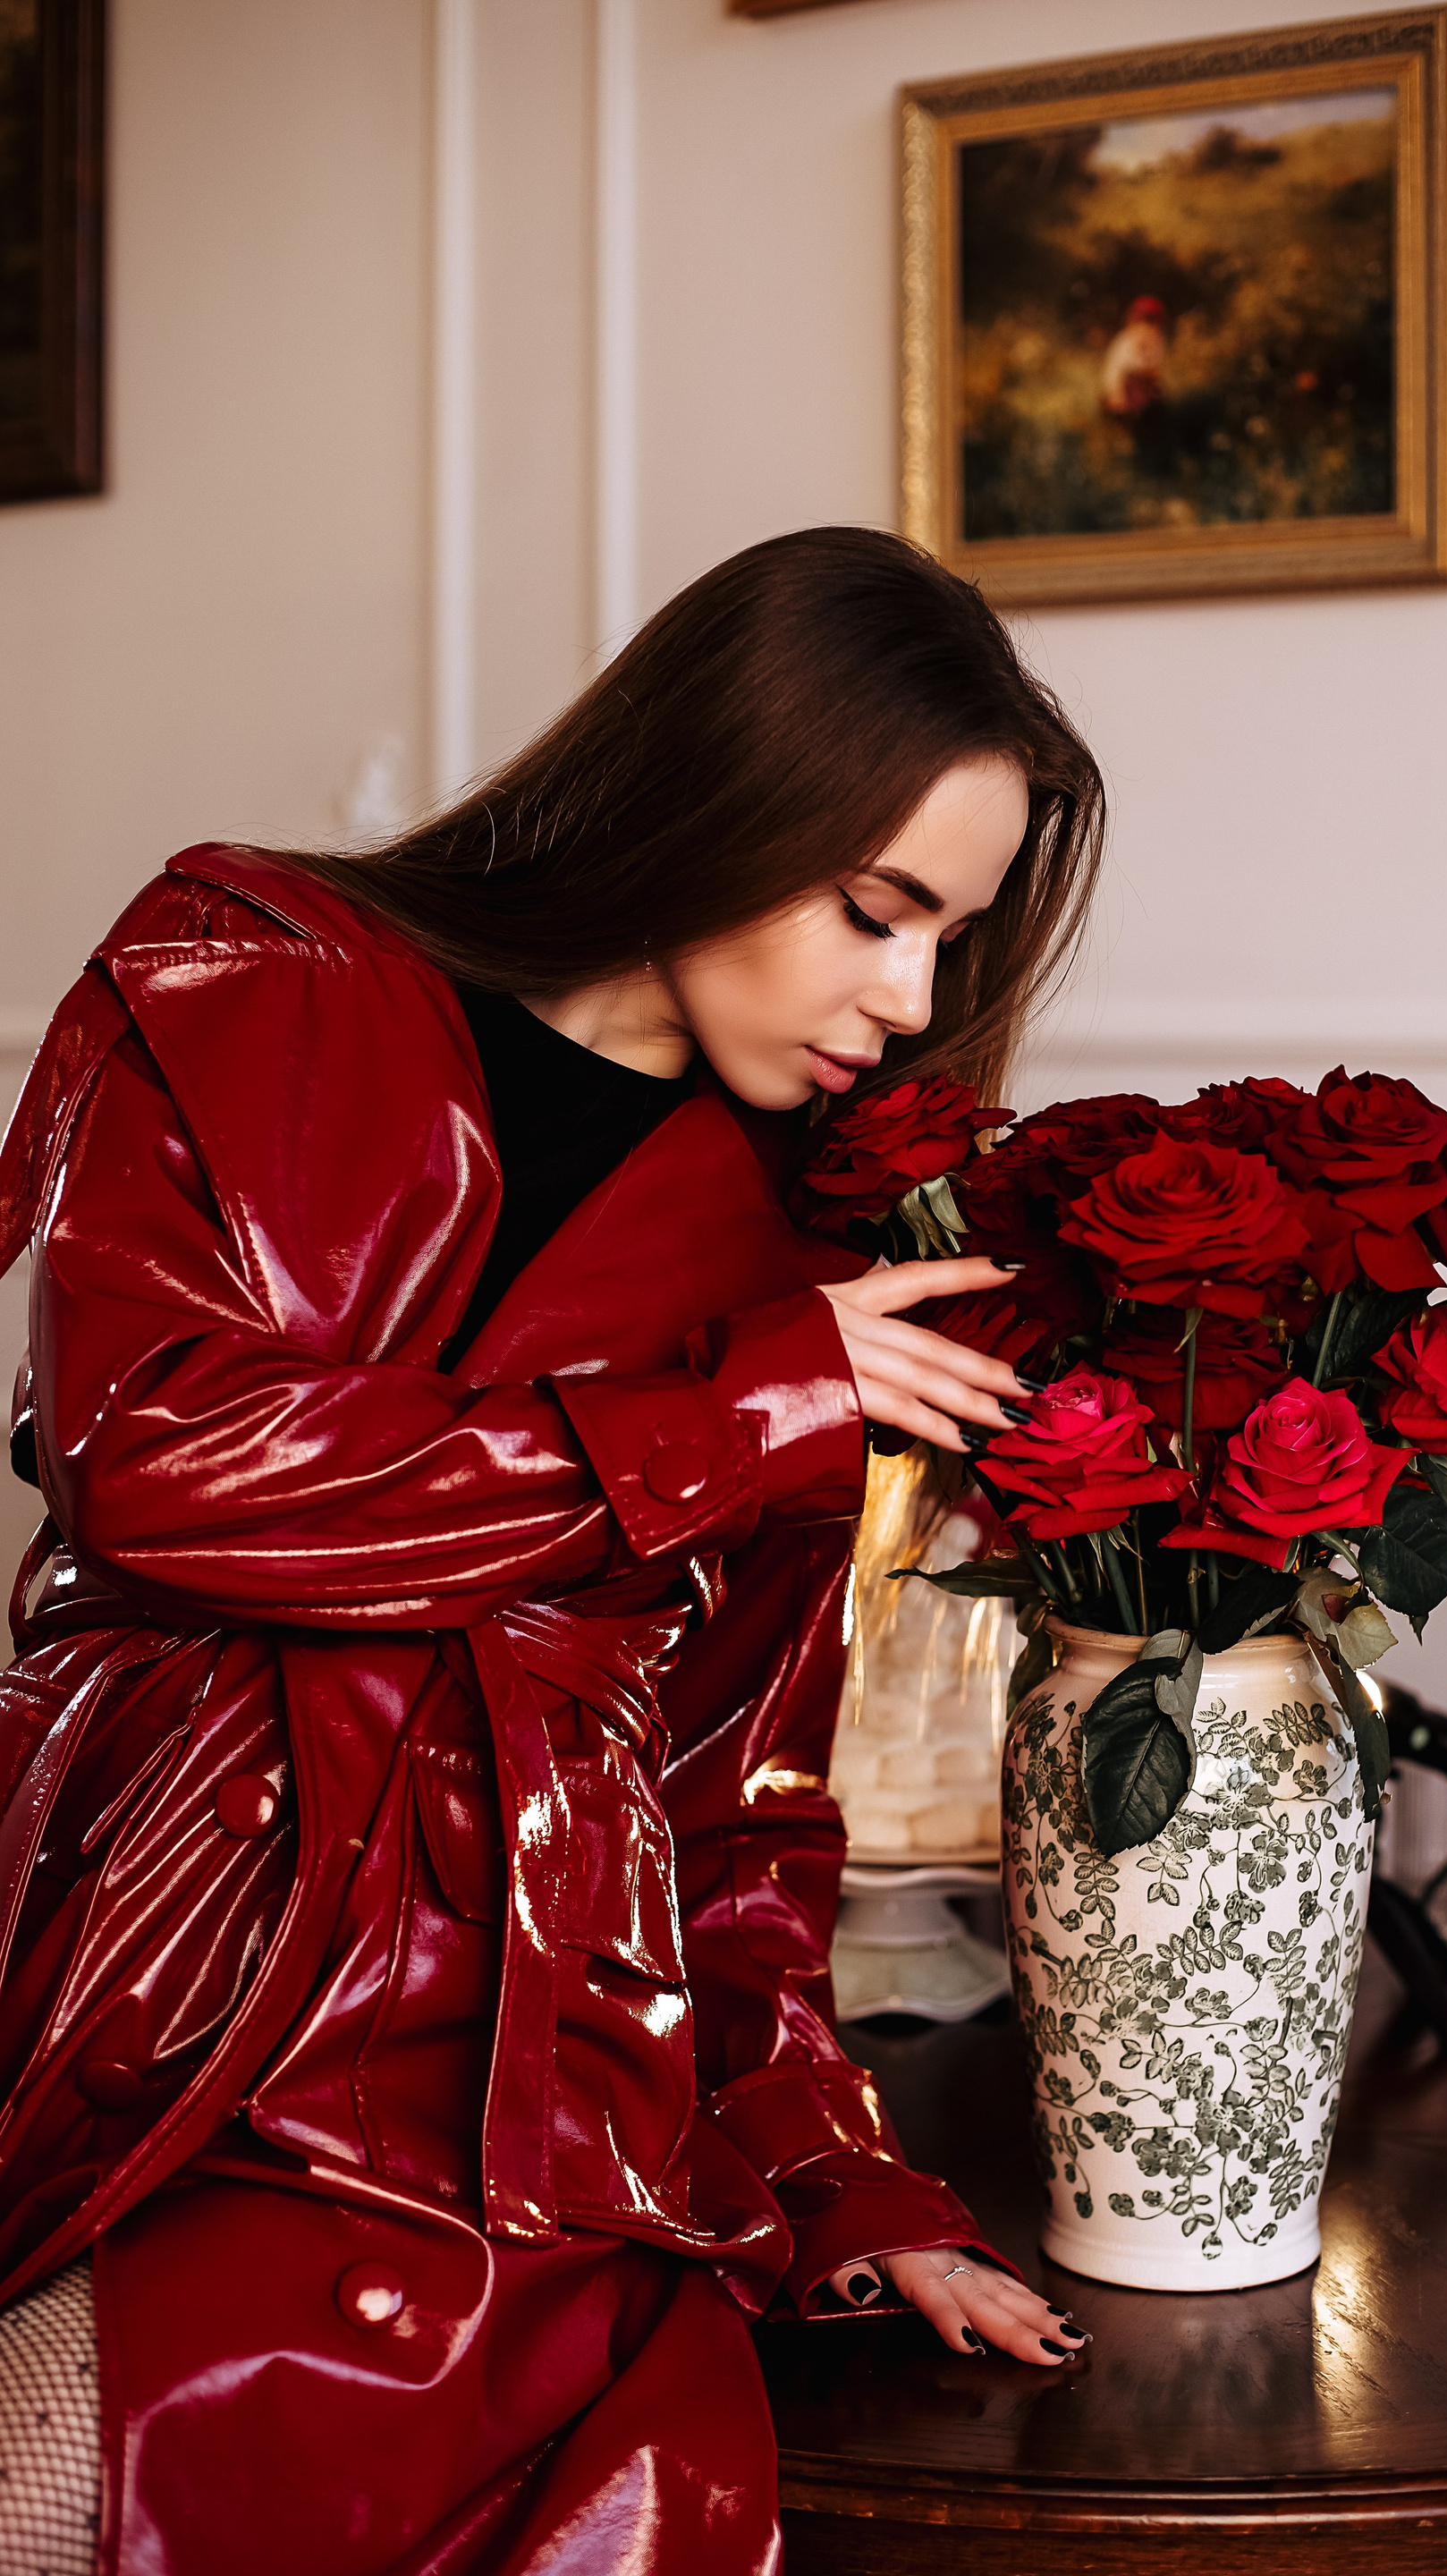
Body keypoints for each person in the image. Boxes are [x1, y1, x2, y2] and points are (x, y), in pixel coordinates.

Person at [0, 527, 1104, 2575]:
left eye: (949, 941)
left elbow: (731, 1803)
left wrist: (839, 2178)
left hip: (508, 2074)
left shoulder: (806, 1261)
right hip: (137, 1952)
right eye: (878, 913)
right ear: (718, 795)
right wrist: (733, 1411)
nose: (911, 1000)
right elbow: (154, 1460)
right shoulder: (249, 971)